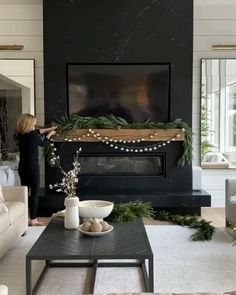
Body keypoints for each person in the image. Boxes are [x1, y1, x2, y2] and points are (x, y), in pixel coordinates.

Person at [16, 113, 57, 226]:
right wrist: (50, 134)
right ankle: (33, 219)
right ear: (29, 124)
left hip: (22, 167)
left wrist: (49, 128)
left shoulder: (20, 135)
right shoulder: (34, 137)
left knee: (25, 193)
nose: (35, 126)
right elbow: (44, 144)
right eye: (34, 124)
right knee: (34, 194)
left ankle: (24, 218)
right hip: (32, 168)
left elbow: (38, 131)